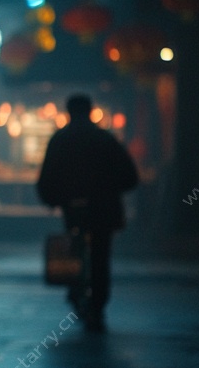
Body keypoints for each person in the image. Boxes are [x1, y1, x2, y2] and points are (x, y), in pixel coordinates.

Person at [36, 94, 139, 332]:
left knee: (75, 249)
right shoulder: (105, 139)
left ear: (69, 112)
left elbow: (47, 177)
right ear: (91, 111)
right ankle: (98, 304)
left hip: (73, 208)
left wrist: (54, 200)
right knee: (101, 257)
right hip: (103, 210)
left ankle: (76, 293)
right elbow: (129, 177)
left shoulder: (60, 140)